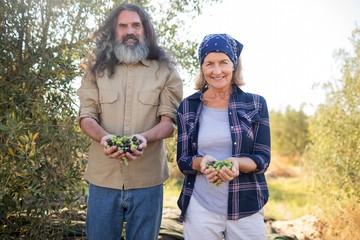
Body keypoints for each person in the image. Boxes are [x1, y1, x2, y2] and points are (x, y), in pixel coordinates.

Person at [77, 3, 183, 240]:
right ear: (114, 31)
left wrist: (144, 138)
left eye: (136, 25)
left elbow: (169, 123)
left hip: (148, 180)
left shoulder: (166, 71)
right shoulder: (95, 69)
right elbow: (86, 116)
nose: (130, 31)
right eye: (122, 26)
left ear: (145, 29)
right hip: (103, 179)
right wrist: (105, 138)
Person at [176, 33, 271, 239]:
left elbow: (263, 160)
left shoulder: (256, 104)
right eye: (209, 63)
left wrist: (235, 163)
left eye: (223, 62)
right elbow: (183, 160)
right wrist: (203, 163)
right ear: (202, 67)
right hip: (201, 207)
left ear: (234, 66)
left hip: (246, 207)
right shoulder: (188, 106)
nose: (216, 70)